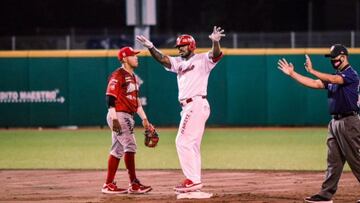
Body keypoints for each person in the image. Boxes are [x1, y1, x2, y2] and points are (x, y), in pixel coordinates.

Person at [136, 26, 225, 193]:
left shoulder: (201, 59)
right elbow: (163, 59)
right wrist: (151, 47)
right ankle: (195, 180)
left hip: (196, 103)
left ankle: (191, 180)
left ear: (191, 45)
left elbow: (215, 54)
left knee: (182, 141)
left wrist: (215, 42)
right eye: (178, 46)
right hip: (189, 107)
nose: (180, 48)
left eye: (183, 46)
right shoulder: (178, 63)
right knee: (192, 145)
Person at [277, 44, 360, 203]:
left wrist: (312, 70)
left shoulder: (351, 74)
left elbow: (334, 79)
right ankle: (325, 194)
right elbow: (315, 83)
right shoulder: (336, 75)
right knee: (333, 161)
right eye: (331, 58)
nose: (333, 60)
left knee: (356, 159)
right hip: (335, 123)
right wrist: (293, 74)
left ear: (343, 56)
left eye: (335, 57)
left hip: (349, 122)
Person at [101, 46, 153, 194]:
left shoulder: (134, 77)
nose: (136, 57)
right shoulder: (118, 74)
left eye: (136, 55)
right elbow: (110, 97)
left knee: (117, 150)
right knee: (130, 146)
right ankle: (134, 184)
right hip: (119, 115)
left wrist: (144, 119)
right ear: (124, 58)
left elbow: (135, 101)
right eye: (133, 55)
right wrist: (114, 118)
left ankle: (108, 184)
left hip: (126, 115)